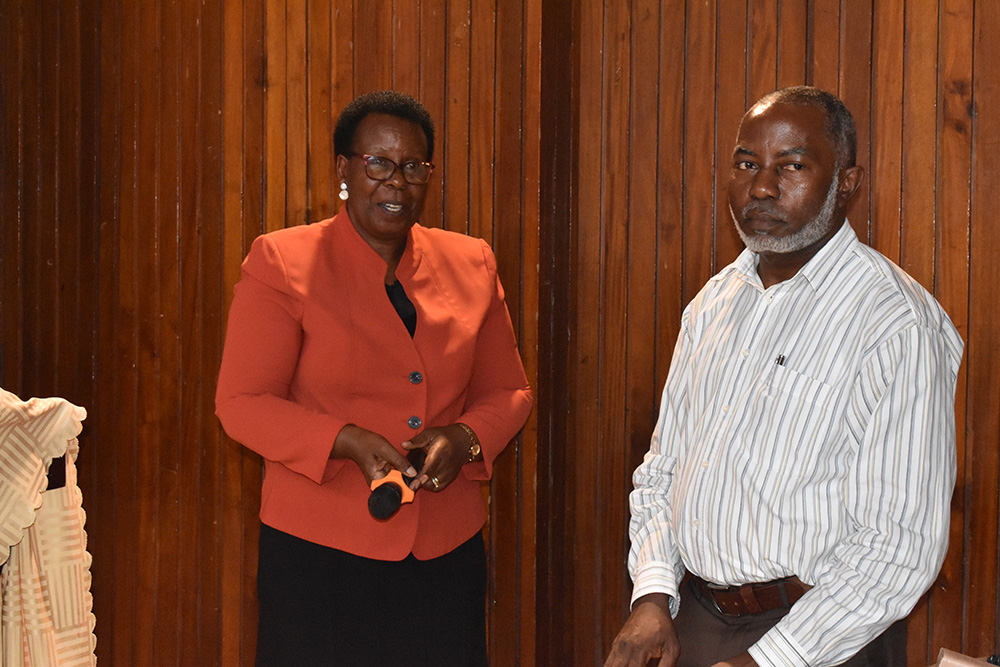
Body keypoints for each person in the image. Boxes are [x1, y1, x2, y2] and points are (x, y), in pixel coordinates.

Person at [605, 86, 963, 667]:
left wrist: (767, 661)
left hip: (824, 637)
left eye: (792, 166)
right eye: (748, 164)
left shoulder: (895, 323)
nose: (762, 187)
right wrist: (651, 593)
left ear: (847, 183)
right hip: (694, 617)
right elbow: (663, 472)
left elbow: (898, 545)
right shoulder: (714, 303)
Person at [215, 90, 532, 666]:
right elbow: (243, 401)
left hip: (444, 552)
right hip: (318, 555)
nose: (396, 182)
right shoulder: (282, 261)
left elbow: (508, 391)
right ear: (344, 169)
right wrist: (346, 440)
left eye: (413, 166)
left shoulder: (472, 262)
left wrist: (465, 438)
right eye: (378, 163)